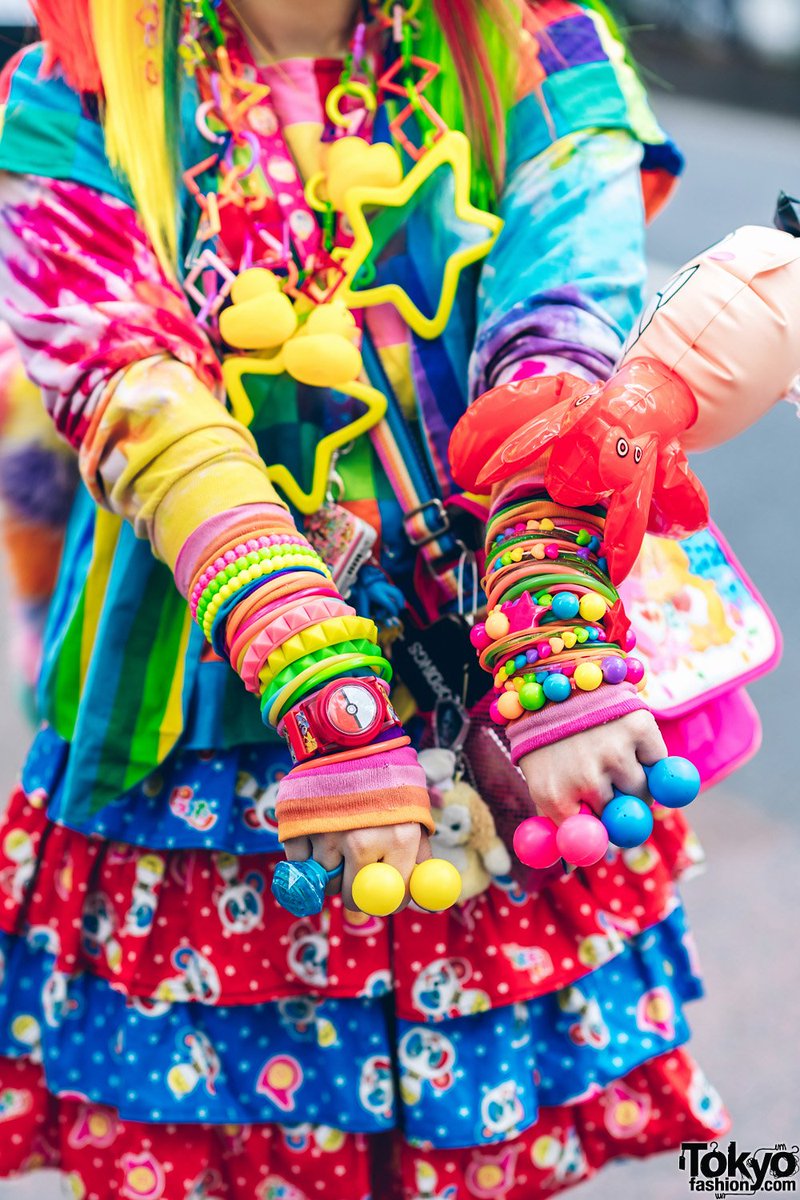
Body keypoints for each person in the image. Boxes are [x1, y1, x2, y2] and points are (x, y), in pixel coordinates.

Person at [0, 1, 740, 1196]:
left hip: (497, 691)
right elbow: (132, 390)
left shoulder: (541, 49)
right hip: (217, 727)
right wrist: (316, 668)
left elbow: (568, 318)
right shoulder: (64, 101)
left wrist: (548, 618)